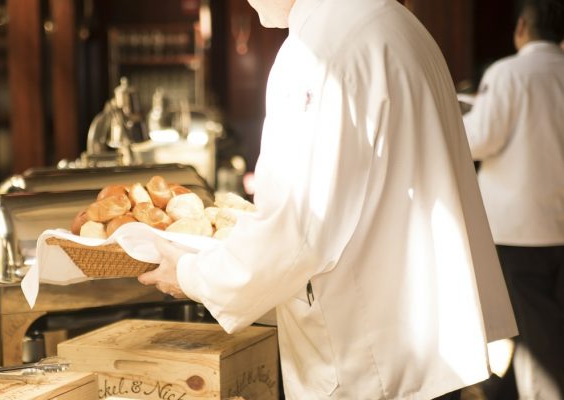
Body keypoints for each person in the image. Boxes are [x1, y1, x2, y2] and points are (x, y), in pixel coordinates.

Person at [139, 0, 518, 398]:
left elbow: (297, 230)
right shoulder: (393, 20)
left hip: (371, 361)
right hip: (420, 338)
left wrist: (191, 274)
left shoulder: (318, 50)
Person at [462, 0, 564, 398]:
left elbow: (480, 138)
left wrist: (459, 119)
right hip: (557, 224)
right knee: (548, 330)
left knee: (533, 341)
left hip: (520, 229)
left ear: (521, 26)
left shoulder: (508, 73)